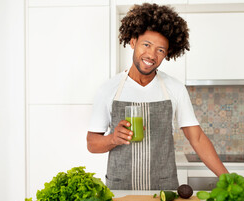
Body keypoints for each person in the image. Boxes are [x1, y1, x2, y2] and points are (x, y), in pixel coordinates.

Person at [87, 3, 229, 190]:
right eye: (147, 45)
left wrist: (230, 180)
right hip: (120, 191)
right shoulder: (108, 89)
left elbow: (198, 139)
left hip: (164, 191)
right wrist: (113, 138)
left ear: (167, 54)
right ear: (132, 41)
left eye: (160, 50)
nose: (152, 55)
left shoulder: (175, 88)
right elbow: (92, 143)